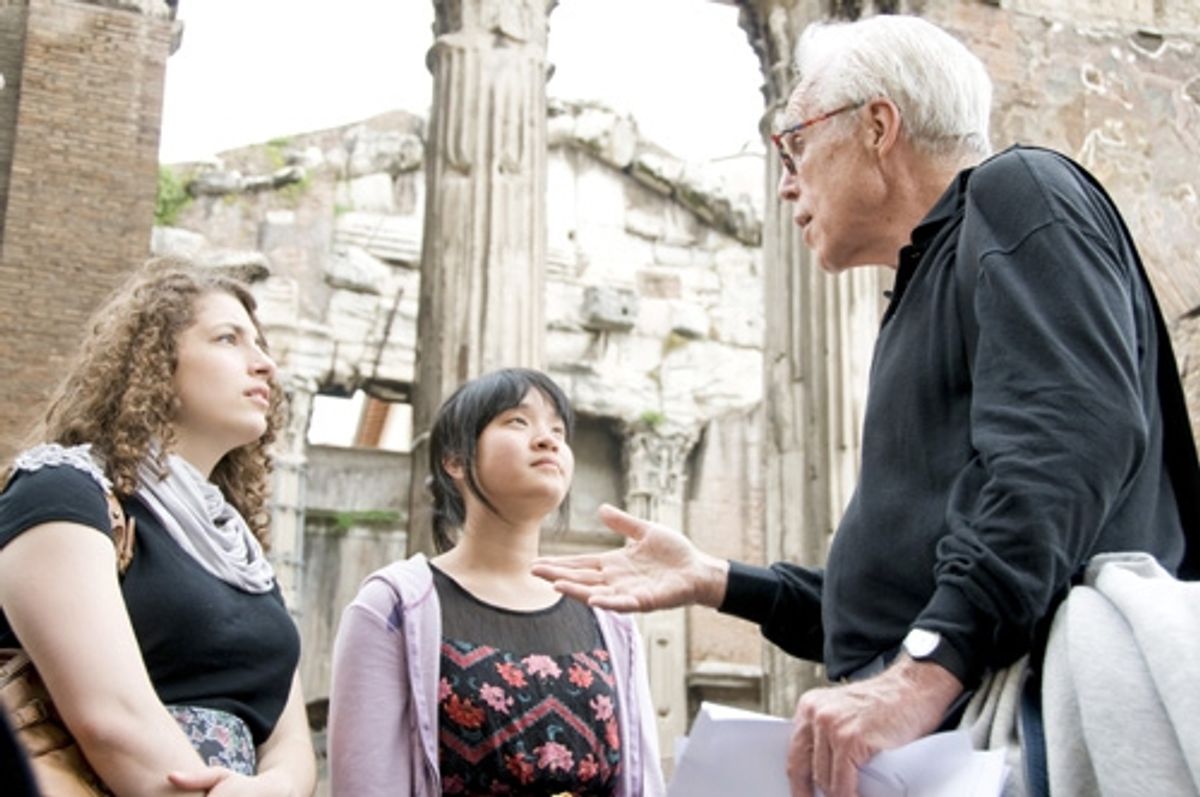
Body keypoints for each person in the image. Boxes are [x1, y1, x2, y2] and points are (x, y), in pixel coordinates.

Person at [532, 13, 1195, 797]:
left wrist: (921, 676)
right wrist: (717, 579)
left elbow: (1068, 442)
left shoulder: (1020, 190)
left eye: (795, 143)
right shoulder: (927, 283)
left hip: (1024, 727)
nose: (785, 181)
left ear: (879, 126)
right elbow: (909, 594)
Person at [0, 258, 316, 795]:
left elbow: (291, 746)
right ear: (152, 362)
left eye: (260, 344)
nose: (264, 364)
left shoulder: (237, 549)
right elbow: (110, 718)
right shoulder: (61, 489)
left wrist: (272, 789)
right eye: (227, 339)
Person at [328, 368, 664, 796]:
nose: (548, 440)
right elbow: (366, 785)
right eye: (517, 422)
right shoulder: (394, 606)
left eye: (557, 429)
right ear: (455, 459)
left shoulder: (605, 613)